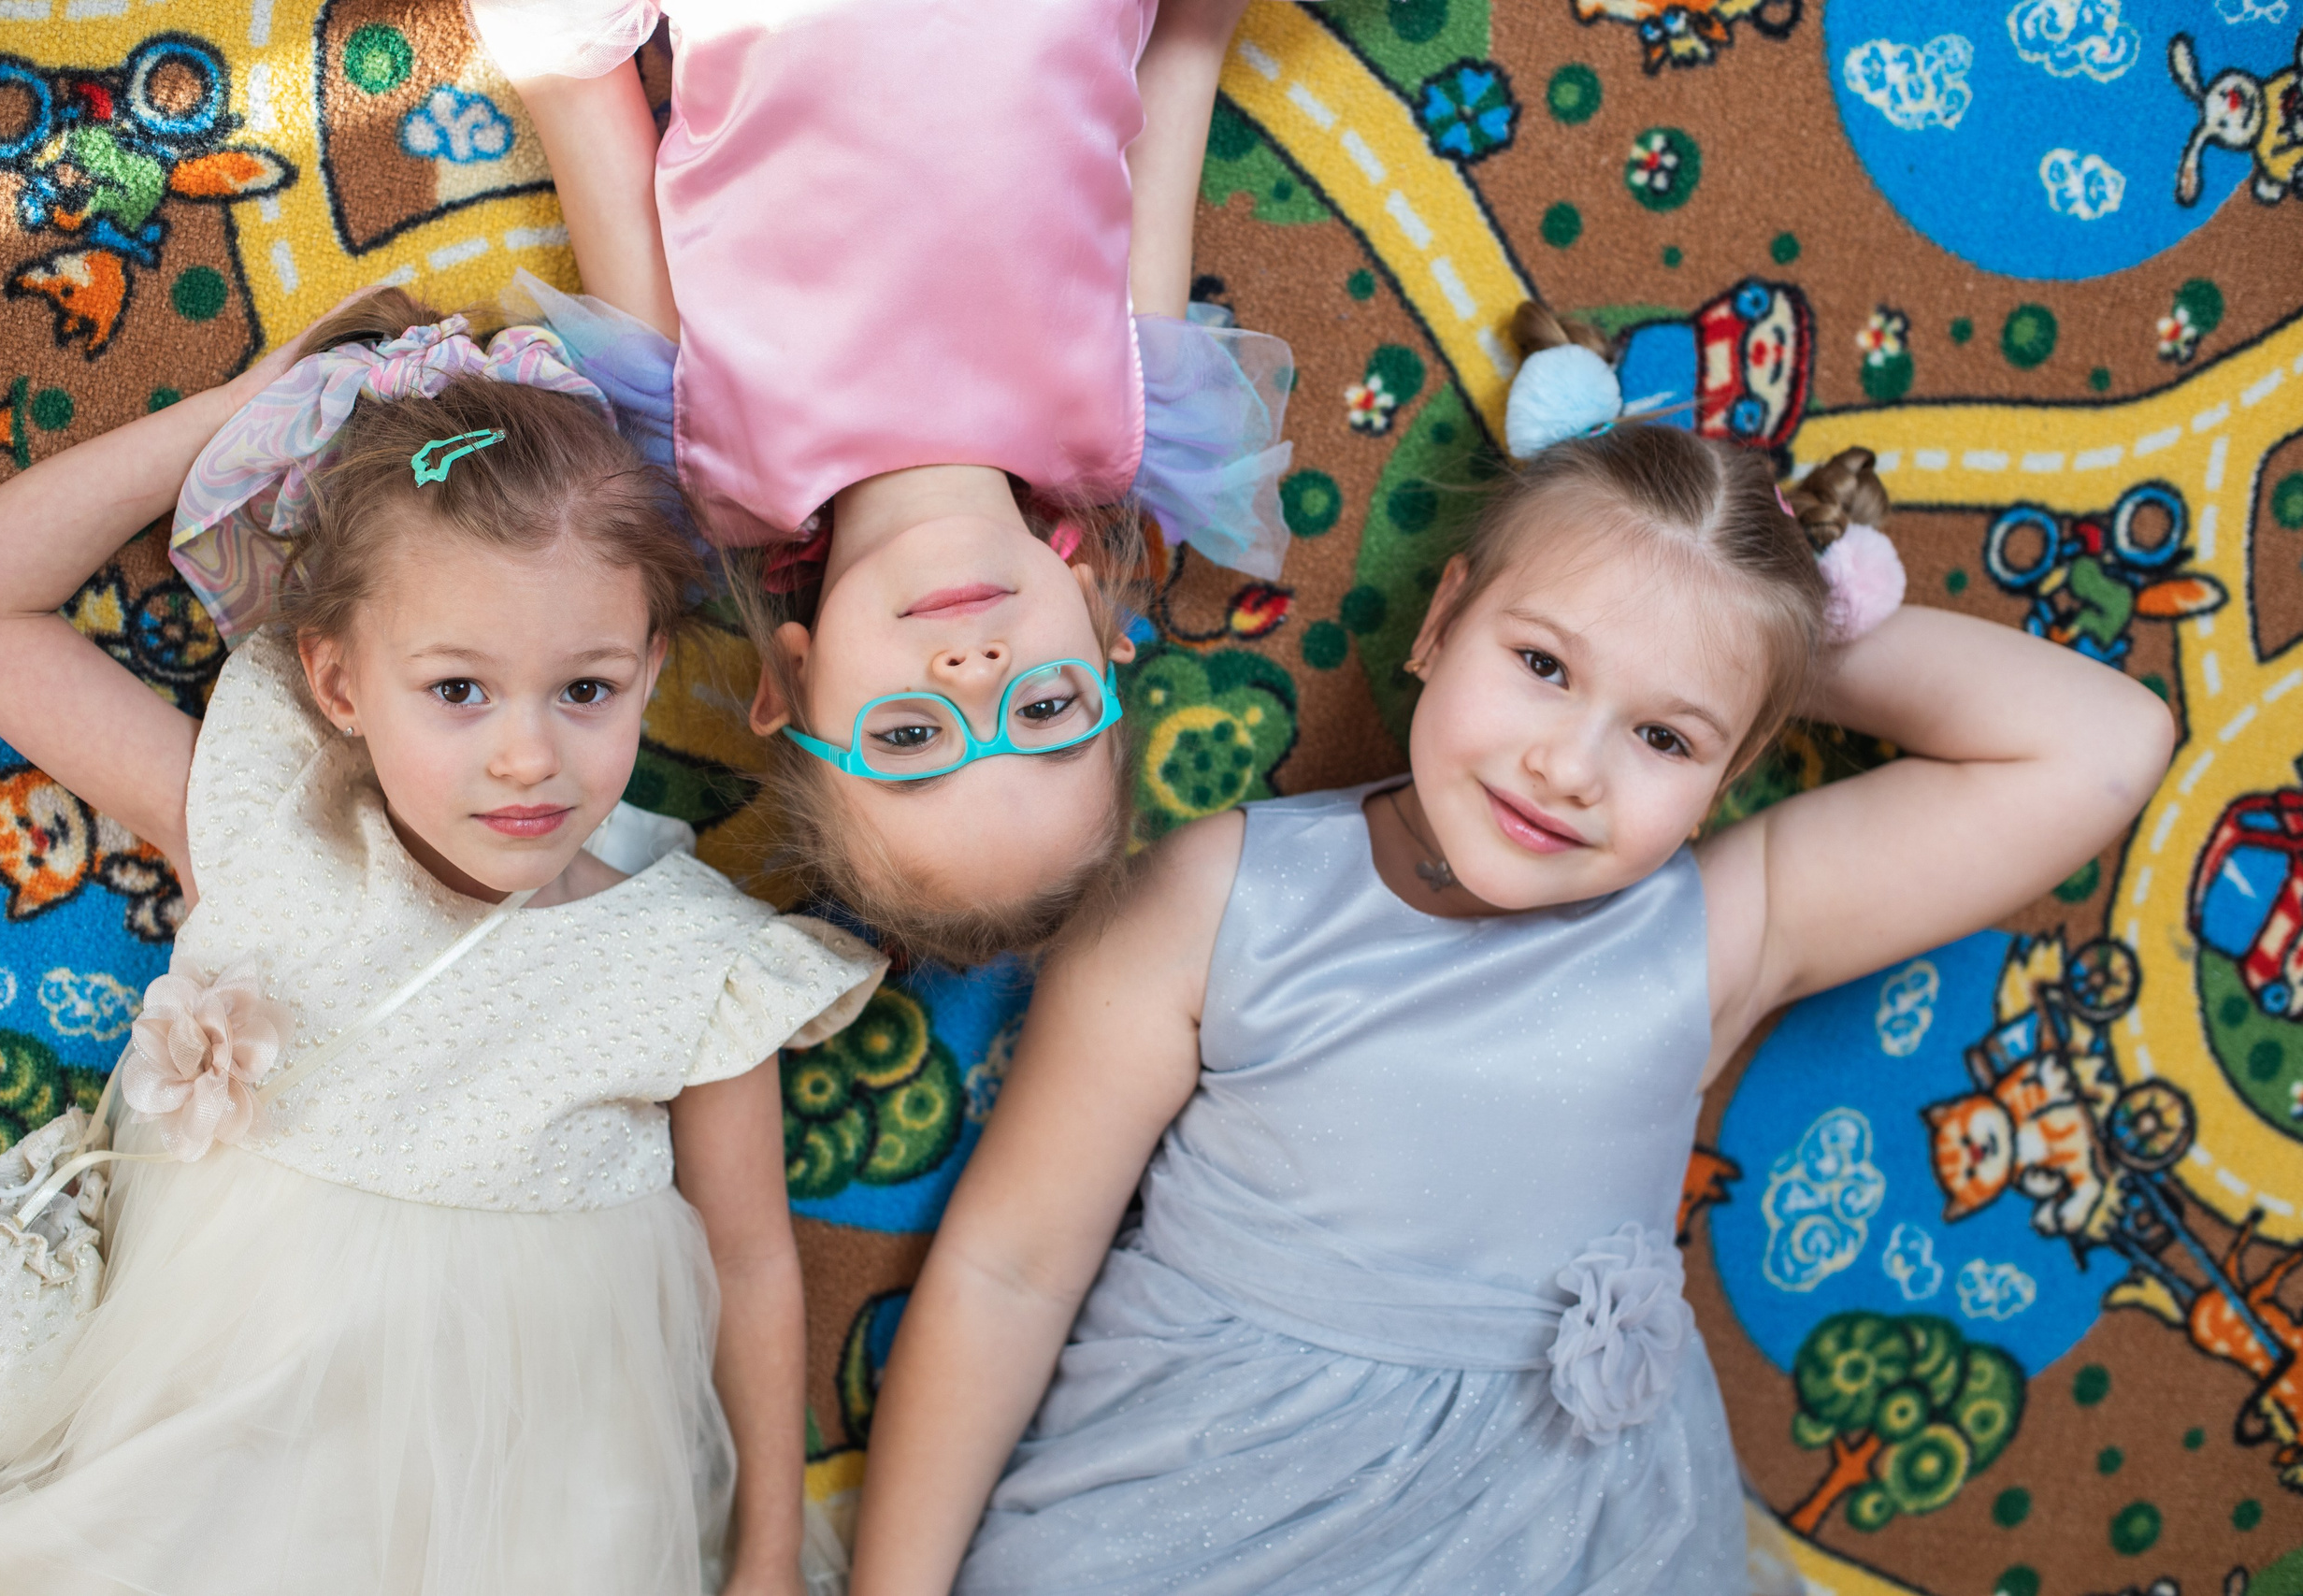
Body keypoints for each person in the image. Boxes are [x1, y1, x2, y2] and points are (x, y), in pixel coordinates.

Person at [843, 307, 2177, 1594]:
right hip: (1195, 1503)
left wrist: (1748, 637)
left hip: (1571, 1534)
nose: (1570, 764)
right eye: (1543, 662)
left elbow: (2103, 745)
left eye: (1667, 736)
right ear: (1441, 623)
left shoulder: (1717, 933)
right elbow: (1009, 1265)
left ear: (1727, 773)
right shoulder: (1221, 893)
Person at [0, 288, 885, 1595]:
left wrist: (767, 1551)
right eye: (457, 689)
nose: (529, 752)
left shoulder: (699, 961)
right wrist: (239, 417)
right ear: (338, 683)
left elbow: (752, 1260)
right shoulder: (267, 816)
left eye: (586, 688)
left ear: (652, 666)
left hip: (540, 1512)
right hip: (217, 1474)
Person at [453, 0, 1298, 965]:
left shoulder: (698, 440)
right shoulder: (1131, 416)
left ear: (796, 686)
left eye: (906, 738)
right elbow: (1183, 54)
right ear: (1099, 624)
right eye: (1045, 713)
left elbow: (572, 80)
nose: (973, 676)